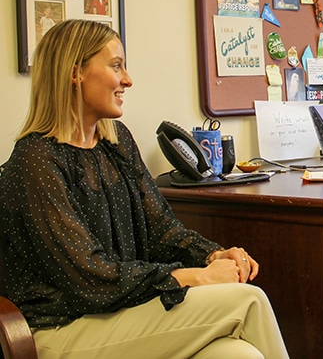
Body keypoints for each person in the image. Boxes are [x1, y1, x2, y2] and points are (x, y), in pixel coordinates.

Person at [0, 19, 289, 359]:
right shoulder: (35, 160)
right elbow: (89, 277)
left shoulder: (117, 142)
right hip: (62, 329)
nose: (128, 79)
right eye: (116, 66)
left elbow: (161, 231)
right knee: (249, 300)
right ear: (75, 72)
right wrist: (194, 277)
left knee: (240, 355)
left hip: (123, 312)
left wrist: (211, 255)